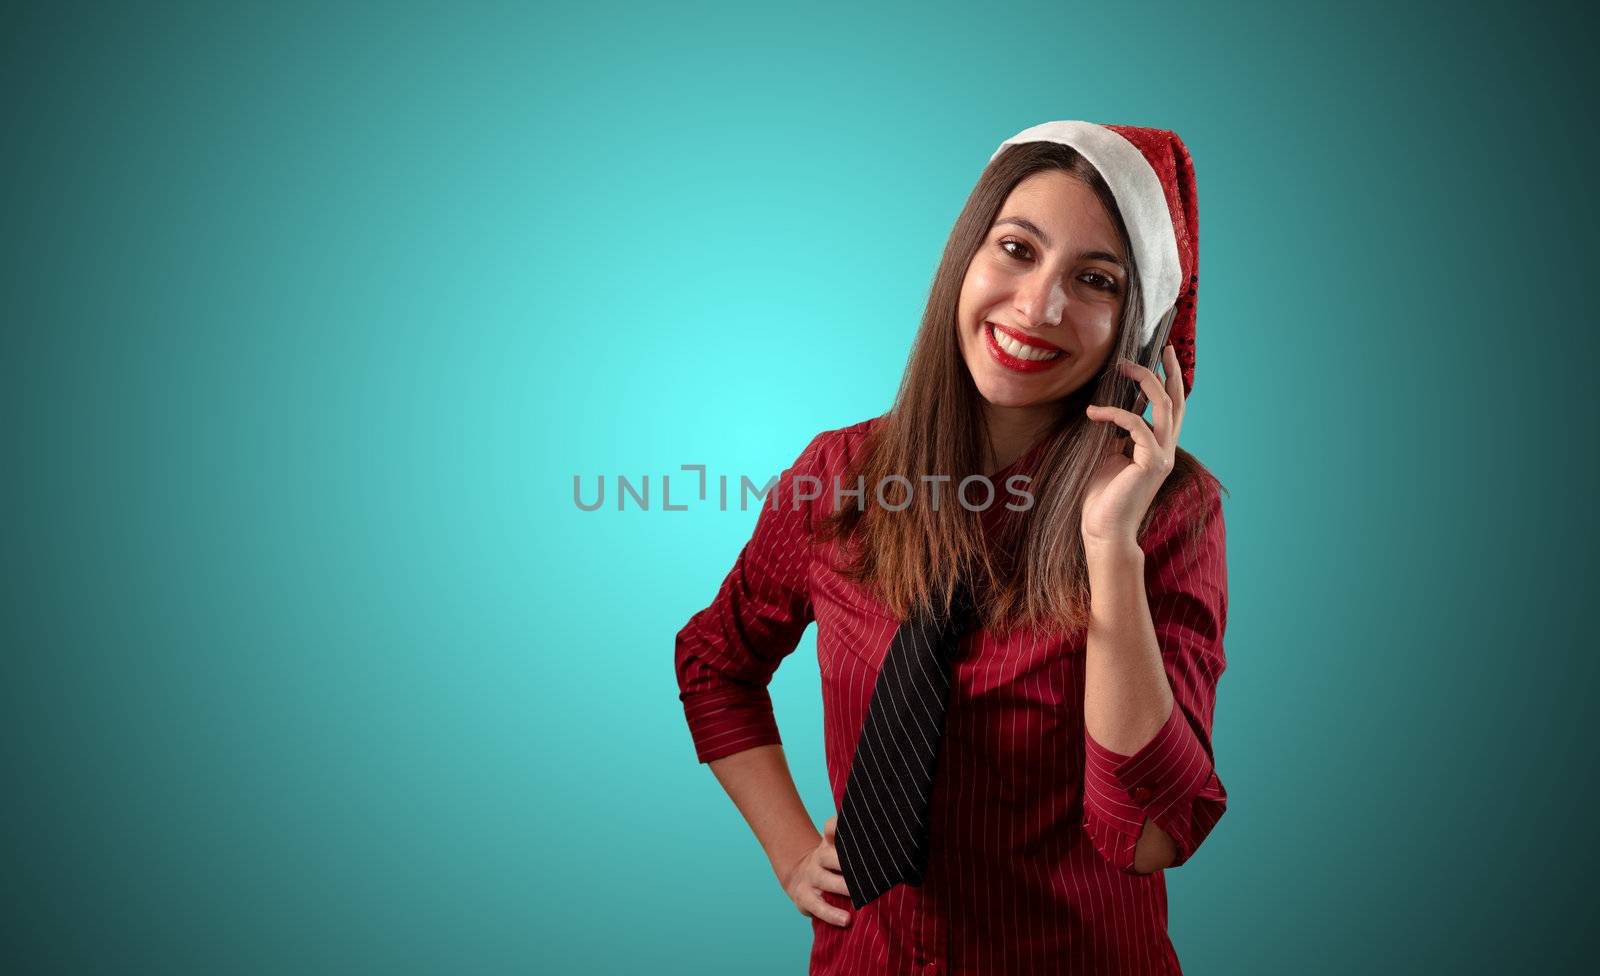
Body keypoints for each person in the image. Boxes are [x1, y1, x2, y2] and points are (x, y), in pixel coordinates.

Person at [674, 120, 1228, 975]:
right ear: (965, 258)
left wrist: (1110, 551)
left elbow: (1150, 835)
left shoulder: (1171, 515)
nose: (1039, 306)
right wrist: (790, 850)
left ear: (1136, 328)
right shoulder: (839, 474)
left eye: (1094, 280)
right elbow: (716, 662)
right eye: (1017, 249)